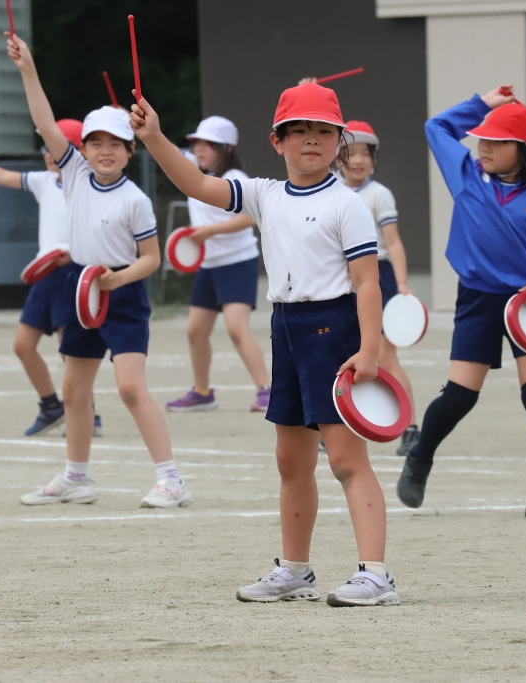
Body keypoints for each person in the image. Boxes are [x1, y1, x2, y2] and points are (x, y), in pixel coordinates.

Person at [130, 82, 399, 606]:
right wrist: (157, 138)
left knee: (347, 460)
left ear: (340, 141)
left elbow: (368, 282)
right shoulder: (262, 193)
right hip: (286, 329)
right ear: (277, 141)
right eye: (299, 131)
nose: (312, 141)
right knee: (290, 461)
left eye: (324, 132)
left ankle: (376, 574)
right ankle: (295, 571)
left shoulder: (348, 204)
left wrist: (370, 350)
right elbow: (196, 183)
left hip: (334, 331)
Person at [6, 33, 191, 509]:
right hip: (79, 287)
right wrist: (28, 67)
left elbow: (152, 258)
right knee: (73, 390)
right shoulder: (73, 175)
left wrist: (117, 279)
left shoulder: (135, 199)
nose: (105, 150)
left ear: (132, 151)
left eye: (116, 143)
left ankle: (170, 479)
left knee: (130, 388)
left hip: (121, 294)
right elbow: (44, 121)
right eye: (95, 143)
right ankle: (76, 477)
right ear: (81, 149)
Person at [397, 86, 526, 518]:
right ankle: (420, 458)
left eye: (495, 141)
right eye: (481, 138)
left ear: (523, 149)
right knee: (459, 395)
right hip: (478, 298)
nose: (482, 147)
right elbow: (437, 127)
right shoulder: (468, 174)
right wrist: (483, 105)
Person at [0, 120, 103, 437]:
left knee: (71, 349)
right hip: (45, 273)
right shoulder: (42, 182)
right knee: (23, 346)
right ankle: (51, 406)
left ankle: (87, 412)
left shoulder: (90, 184)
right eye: (45, 148)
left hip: (74, 273)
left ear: (78, 150)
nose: (49, 154)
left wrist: (75, 253)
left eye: (55, 146)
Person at [163, 116, 270, 413]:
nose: (199, 149)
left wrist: (211, 232)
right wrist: (135, 125)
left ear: (225, 148)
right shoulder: (193, 170)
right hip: (208, 265)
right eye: (196, 142)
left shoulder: (235, 176)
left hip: (237, 262)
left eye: (207, 144)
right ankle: (202, 392)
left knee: (237, 329)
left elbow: (251, 216)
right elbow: (167, 148)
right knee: (195, 331)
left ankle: (266, 390)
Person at [335, 120, 421, 456]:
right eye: (350, 152)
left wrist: (401, 285)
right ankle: (336, 427)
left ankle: (411, 427)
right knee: (340, 353)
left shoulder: (379, 194)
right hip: (339, 280)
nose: (357, 160)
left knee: (385, 356)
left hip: (377, 276)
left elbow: (394, 242)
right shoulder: (330, 188)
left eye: (365, 154)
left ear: (374, 159)